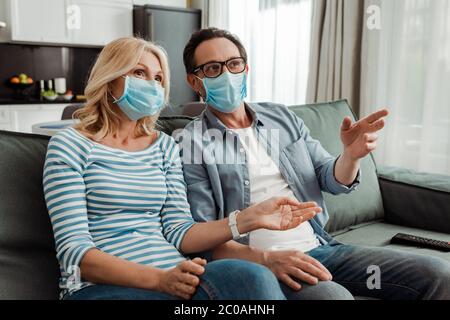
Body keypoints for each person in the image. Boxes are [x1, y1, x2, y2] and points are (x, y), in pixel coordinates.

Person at [178, 27, 450, 300]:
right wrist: (265, 259)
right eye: (213, 68)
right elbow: (203, 237)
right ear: (195, 81)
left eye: (234, 64)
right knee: (332, 297)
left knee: (438, 273)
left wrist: (350, 156)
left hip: (321, 248)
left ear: (246, 69)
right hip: (262, 265)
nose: (227, 74)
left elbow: (328, 176)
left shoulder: (281, 117)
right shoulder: (192, 142)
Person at [42, 37, 321, 300]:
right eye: (140, 73)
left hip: (175, 276)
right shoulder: (69, 144)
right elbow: (74, 253)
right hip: (102, 287)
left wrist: (247, 219)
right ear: (110, 77)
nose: (151, 84)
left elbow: (180, 231)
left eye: (158, 78)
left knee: (254, 277)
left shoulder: (163, 145)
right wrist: (160, 280)